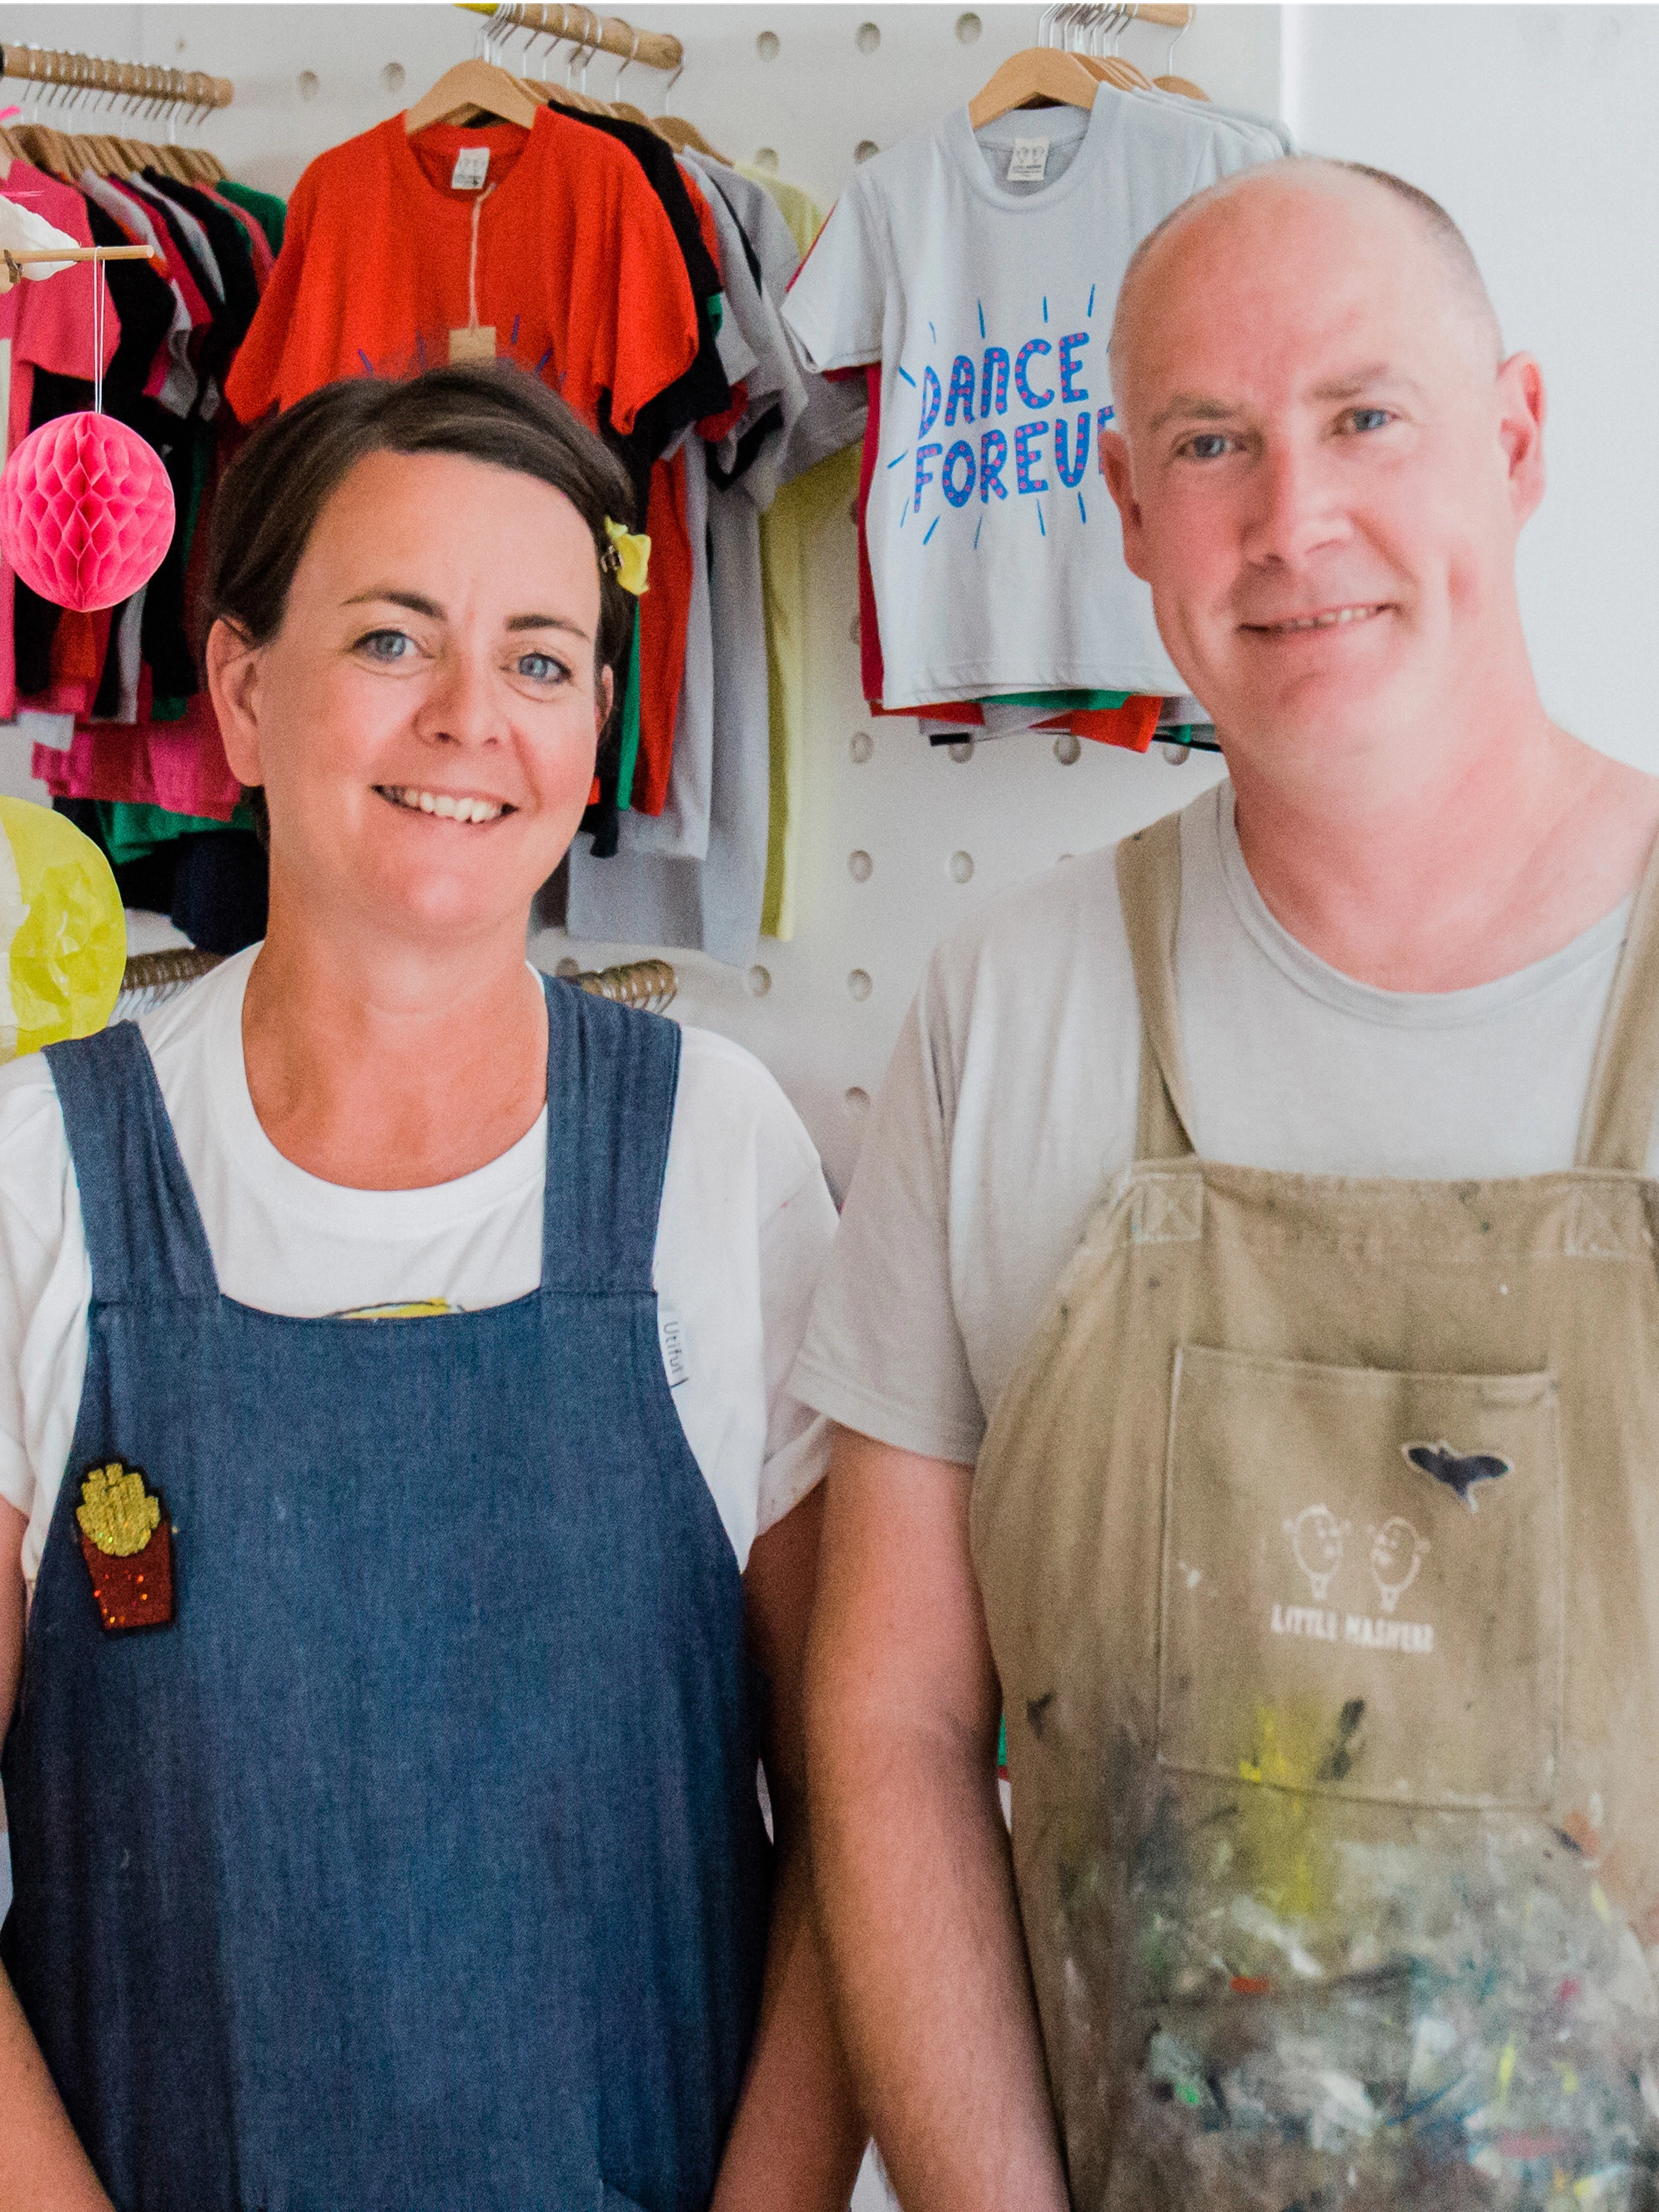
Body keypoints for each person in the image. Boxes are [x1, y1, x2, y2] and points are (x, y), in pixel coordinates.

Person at [797, 157, 1659, 2209]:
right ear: (1123, 506)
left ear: (1515, 440)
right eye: (1211, 444)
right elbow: (896, 1728)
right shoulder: (1008, 1009)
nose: (1293, 525)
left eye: (1366, 416)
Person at [0, 362, 865, 2211]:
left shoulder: (720, 1157)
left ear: (600, 722)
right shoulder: (31, 1176)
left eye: (543, 659)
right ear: (239, 691)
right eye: (394, 639)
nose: (474, 718)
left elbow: (865, 1827)